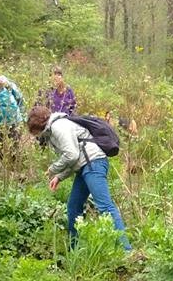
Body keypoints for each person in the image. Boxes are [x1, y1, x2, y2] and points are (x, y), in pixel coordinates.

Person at [26, 105, 131, 250]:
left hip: (93, 164)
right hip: (84, 166)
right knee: (73, 206)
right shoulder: (54, 129)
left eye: (34, 132)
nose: (36, 136)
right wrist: (59, 177)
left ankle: (126, 250)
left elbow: (72, 154)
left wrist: (52, 169)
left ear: (37, 126)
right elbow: (74, 158)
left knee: (105, 207)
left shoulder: (59, 126)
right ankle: (74, 249)